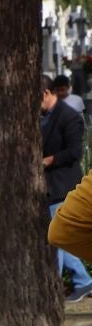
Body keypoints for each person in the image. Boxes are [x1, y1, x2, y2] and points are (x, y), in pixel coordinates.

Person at [43, 75, 92, 301]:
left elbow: (74, 151)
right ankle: (82, 280)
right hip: (53, 186)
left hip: (64, 184)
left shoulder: (68, 116)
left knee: (59, 234)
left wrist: (50, 160)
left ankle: (62, 283)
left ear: (46, 93)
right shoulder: (45, 117)